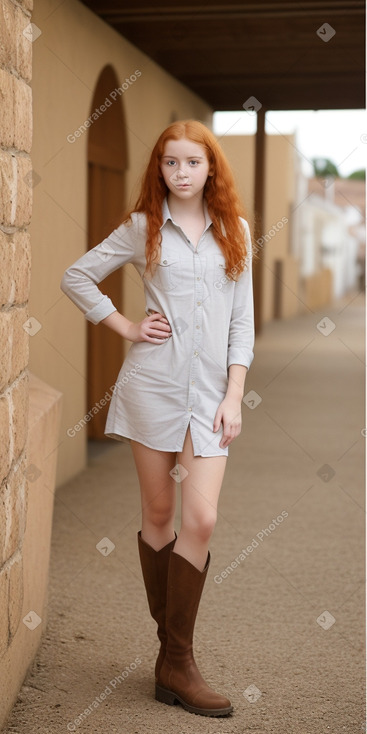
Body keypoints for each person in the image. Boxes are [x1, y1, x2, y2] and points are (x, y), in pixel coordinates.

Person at [60, 119, 255, 717]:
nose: (181, 173)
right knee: (160, 514)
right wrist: (124, 325)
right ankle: (175, 660)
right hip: (153, 387)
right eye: (170, 163)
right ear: (159, 169)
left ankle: (176, 657)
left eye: (193, 162)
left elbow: (240, 323)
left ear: (211, 168)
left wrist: (233, 395)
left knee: (201, 517)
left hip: (209, 400)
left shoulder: (236, 232)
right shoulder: (143, 227)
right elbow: (76, 276)